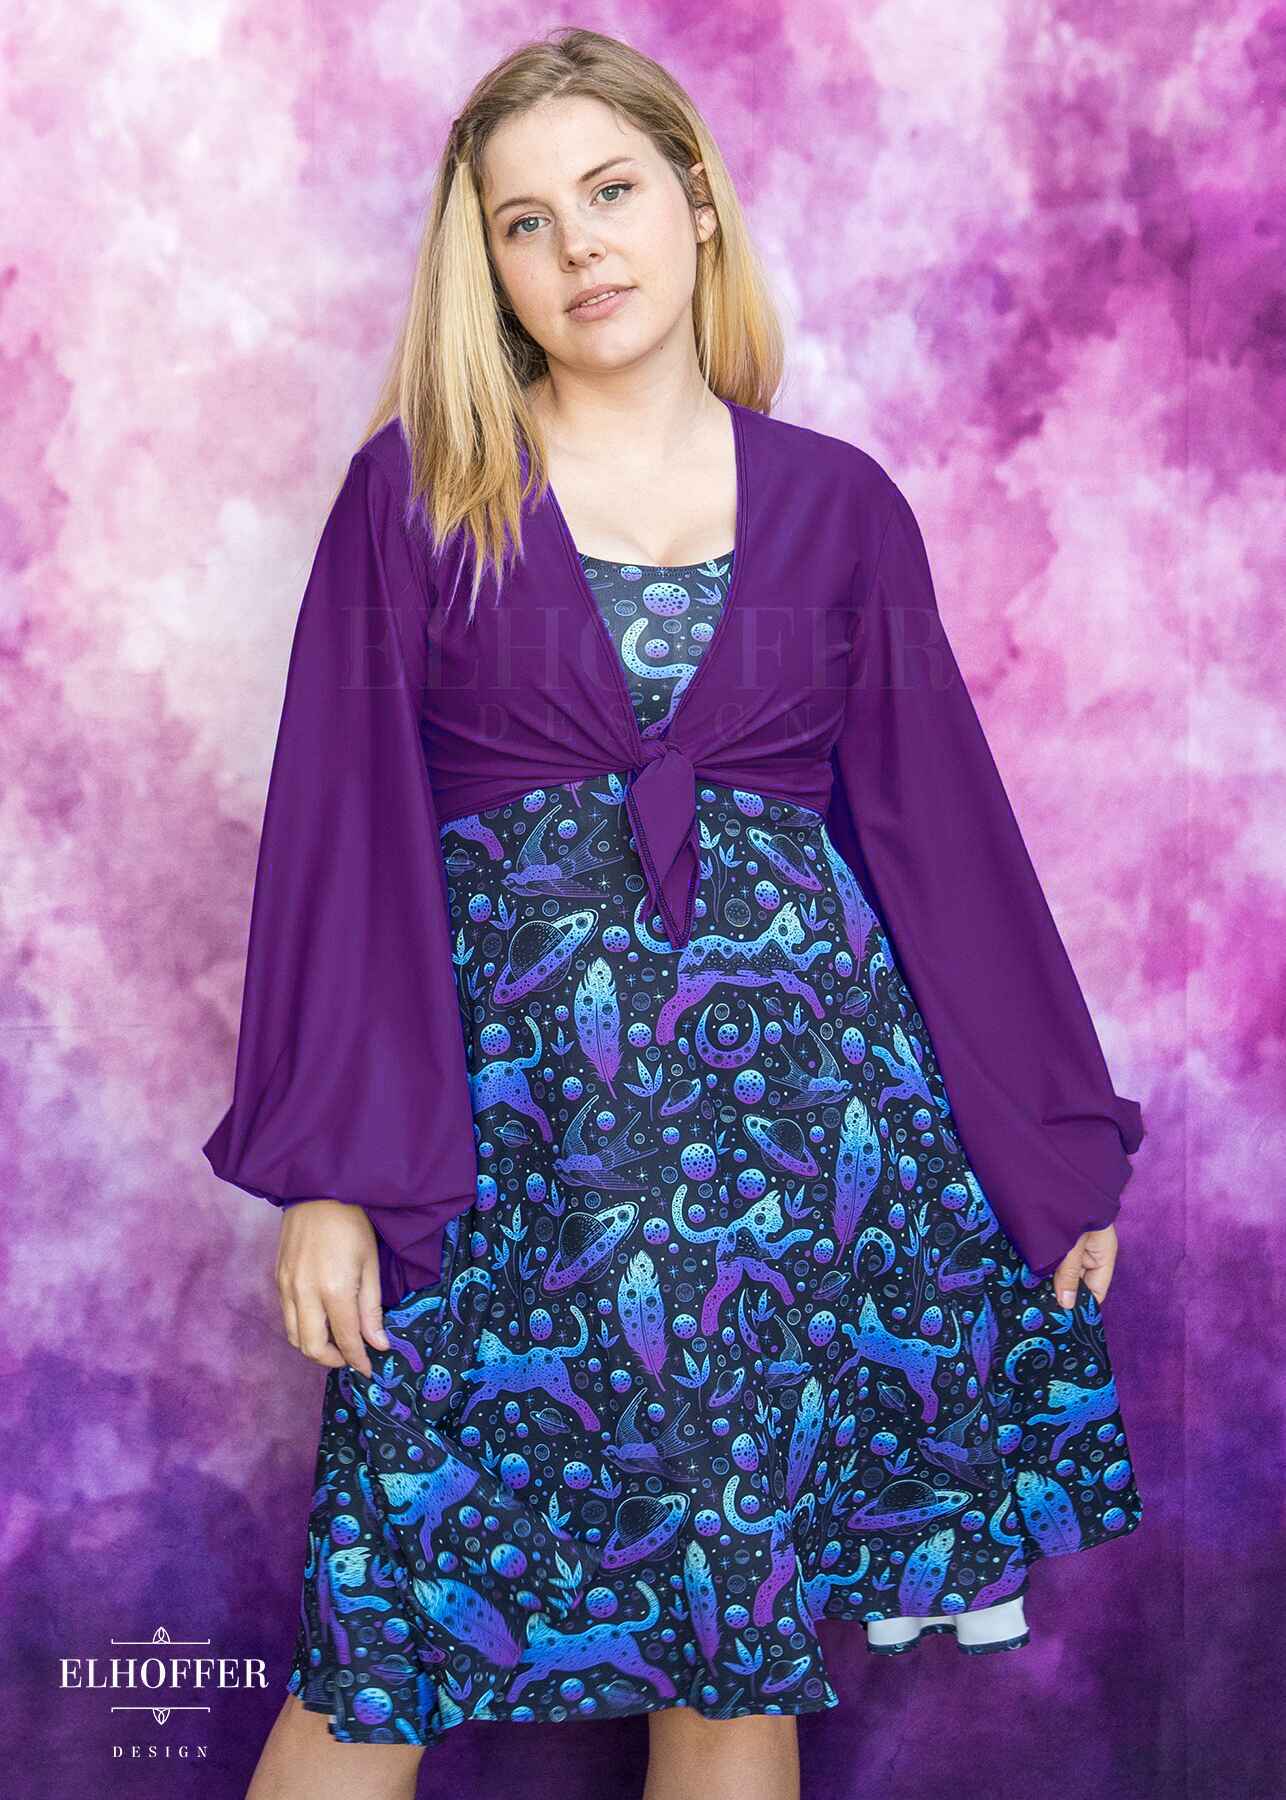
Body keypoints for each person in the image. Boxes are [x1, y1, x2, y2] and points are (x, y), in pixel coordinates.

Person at [202, 27, 1145, 1800]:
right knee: (376, 1649)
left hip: (793, 1167)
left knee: (735, 1655)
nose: (580, 249)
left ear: (694, 203)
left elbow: (943, 841)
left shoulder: (840, 505)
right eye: (526, 222)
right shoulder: (419, 492)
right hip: (496, 1161)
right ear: (485, 266)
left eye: (612, 192)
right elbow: (339, 845)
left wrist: (1051, 1148)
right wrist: (330, 1173)